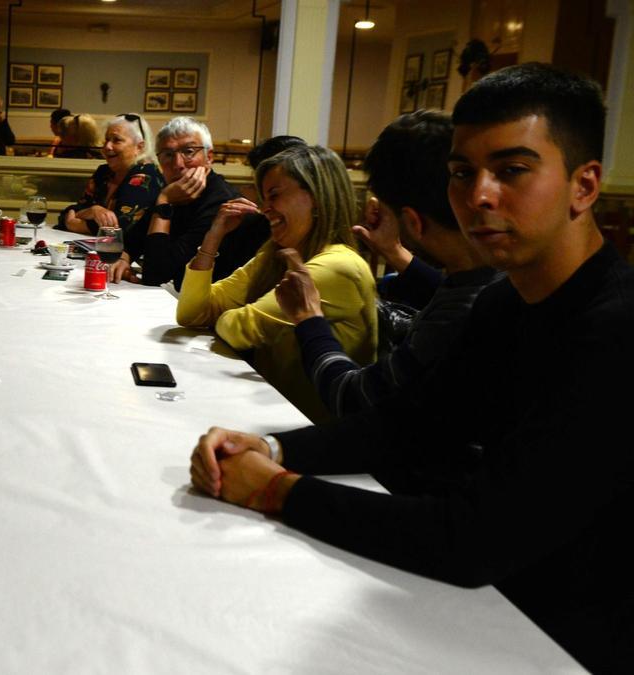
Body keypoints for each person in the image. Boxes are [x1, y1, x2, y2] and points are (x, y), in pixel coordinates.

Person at [188, 63, 632, 672]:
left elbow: (474, 540)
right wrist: (270, 444)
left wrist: (274, 489)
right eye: (460, 173)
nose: (478, 195)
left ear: (584, 186)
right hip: (482, 609)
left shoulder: (615, 332)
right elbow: (404, 424)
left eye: (512, 170)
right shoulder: (505, 300)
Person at [275, 111, 500, 417]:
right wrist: (395, 251)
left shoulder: (457, 320)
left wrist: (308, 318)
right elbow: (449, 289)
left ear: (413, 222)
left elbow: (353, 398)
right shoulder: (497, 276)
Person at [176, 144, 376, 422]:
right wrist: (213, 238)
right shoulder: (275, 254)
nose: (264, 208)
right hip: (271, 412)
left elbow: (236, 328)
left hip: (315, 434)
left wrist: (227, 314)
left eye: (274, 195)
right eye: (263, 198)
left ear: (316, 197)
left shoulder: (337, 266)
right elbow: (191, 313)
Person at [114, 117, 270, 287]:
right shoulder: (175, 192)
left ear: (209, 157)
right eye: (168, 155)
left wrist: (164, 202)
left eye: (188, 151)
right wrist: (123, 259)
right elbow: (132, 241)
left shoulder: (221, 202)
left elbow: (156, 274)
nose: (178, 164)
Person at [57, 113, 164, 235]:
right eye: (107, 139)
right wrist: (92, 210)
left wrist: (72, 223)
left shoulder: (145, 176)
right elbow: (71, 211)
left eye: (116, 140)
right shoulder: (103, 172)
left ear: (139, 147)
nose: (107, 146)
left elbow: (118, 228)